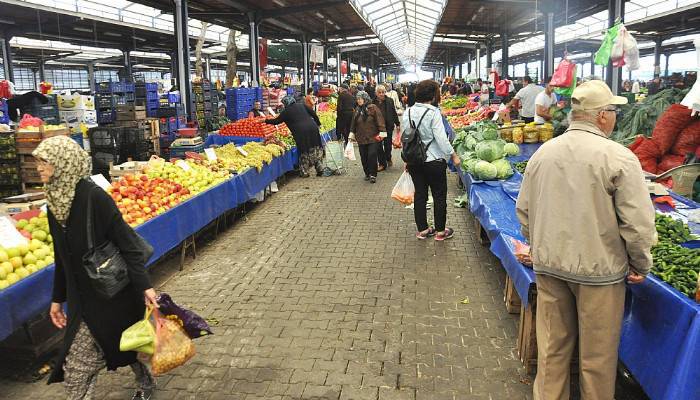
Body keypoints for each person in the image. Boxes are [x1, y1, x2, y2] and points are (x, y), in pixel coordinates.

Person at [516, 80, 655, 400]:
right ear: (603, 116)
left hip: (549, 268)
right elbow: (638, 224)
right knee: (596, 360)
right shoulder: (618, 157)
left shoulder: (543, 153)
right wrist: (640, 262)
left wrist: (539, 246)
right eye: (614, 110)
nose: (615, 116)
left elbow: (523, 211)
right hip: (600, 275)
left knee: (552, 353)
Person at [35, 136, 158, 400]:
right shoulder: (55, 204)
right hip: (83, 301)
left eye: (44, 162)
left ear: (63, 163)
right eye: (38, 162)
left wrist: (145, 286)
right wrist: (58, 300)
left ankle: (145, 380)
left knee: (128, 344)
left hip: (113, 294)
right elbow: (62, 257)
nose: (38, 168)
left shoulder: (94, 198)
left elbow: (129, 245)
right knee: (77, 368)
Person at [403, 80, 461, 241]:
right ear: (434, 95)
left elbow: (406, 138)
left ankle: (423, 230)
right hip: (434, 160)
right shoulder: (433, 112)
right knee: (439, 195)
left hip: (415, 160)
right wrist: (453, 155)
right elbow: (441, 139)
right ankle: (440, 232)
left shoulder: (407, 112)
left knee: (420, 195)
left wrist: (407, 159)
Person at [266, 96, 324, 177]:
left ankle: (304, 172)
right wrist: (318, 124)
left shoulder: (286, 111)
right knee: (315, 147)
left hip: (301, 131)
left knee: (304, 150)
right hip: (313, 128)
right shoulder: (302, 105)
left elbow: (276, 121)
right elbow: (313, 113)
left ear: (286, 103)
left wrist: (265, 120)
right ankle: (320, 168)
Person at [349, 91, 386, 183]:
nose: (358, 101)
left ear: (365, 99)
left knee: (372, 155)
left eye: (360, 99)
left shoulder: (373, 108)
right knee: (363, 156)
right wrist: (351, 134)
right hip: (361, 138)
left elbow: (380, 120)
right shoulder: (357, 110)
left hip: (373, 137)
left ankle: (373, 174)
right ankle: (367, 173)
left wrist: (382, 132)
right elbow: (353, 124)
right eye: (357, 99)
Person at [373, 85, 401, 171]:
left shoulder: (389, 101)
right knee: (378, 146)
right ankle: (382, 163)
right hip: (377, 128)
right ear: (376, 93)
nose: (381, 94)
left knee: (387, 146)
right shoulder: (372, 102)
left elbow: (393, 112)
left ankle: (388, 157)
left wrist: (398, 124)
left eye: (383, 92)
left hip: (388, 127)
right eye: (379, 92)